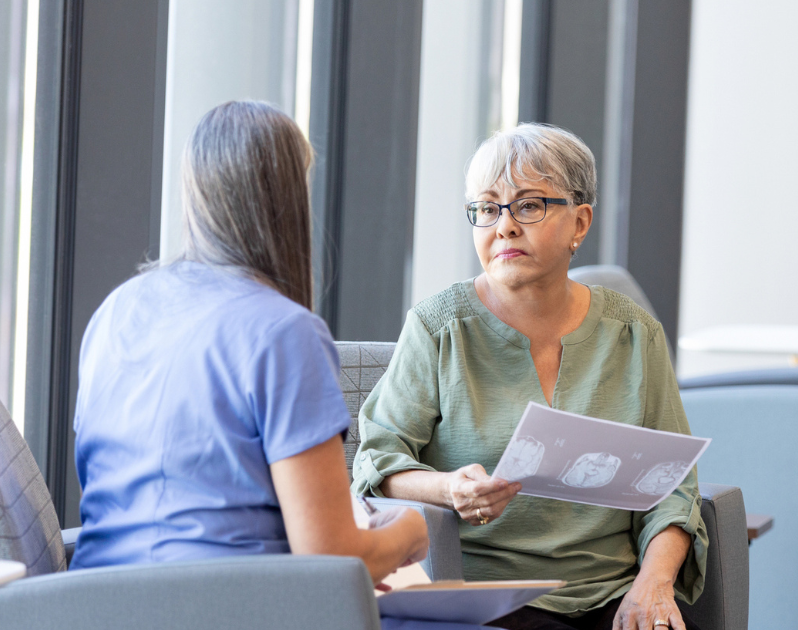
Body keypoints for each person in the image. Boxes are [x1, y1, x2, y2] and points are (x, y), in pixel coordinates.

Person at [71, 101, 459, 629]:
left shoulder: (117, 310)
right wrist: (409, 533)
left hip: (92, 608)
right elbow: (331, 562)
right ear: (288, 199)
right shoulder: (284, 331)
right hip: (233, 608)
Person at [351, 124, 708, 630]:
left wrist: (654, 582)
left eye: (529, 205)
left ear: (579, 223)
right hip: (490, 595)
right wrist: (449, 487)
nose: (505, 226)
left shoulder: (634, 333)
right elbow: (376, 463)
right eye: (488, 208)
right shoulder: (438, 327)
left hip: (613, 590)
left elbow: (673, 486)